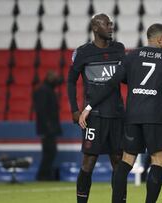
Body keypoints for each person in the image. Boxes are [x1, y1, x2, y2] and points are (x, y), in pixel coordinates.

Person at [78, 23, 162, 203]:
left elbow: (112, 82)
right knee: (159, 159)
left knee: (126, 161)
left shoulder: (131, 57)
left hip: (132, 116)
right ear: (160, 39)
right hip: (156, 116)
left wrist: (88, 107)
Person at [67, 13, 126, 203]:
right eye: (106, 23)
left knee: (118, 162)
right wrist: (75, 109)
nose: (111, 26)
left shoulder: (119, 49)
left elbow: (124, 78)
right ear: (95, 27)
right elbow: (70, 81)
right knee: (88, 162)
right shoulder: (84, 52)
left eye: (111, 23)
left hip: (117, 114)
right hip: (94, 117)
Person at [33, 70, 62, 181]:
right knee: (49, 152)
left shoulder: (47, 89)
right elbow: (41, 111)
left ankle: (45, 175)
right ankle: (42, 175)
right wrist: (48, 126)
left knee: (50, 152)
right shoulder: (43, 90)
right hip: (47, 128)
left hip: (49, 127)